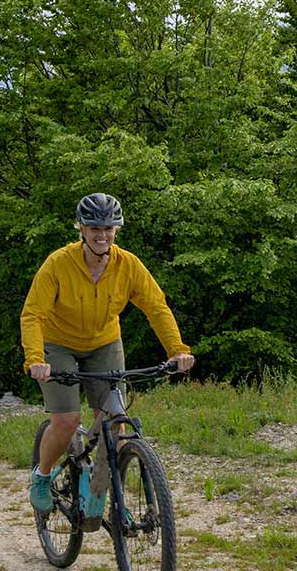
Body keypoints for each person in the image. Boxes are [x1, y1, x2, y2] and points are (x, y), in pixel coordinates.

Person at [20, 192, 194, 518]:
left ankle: (108, 501)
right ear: (81, 229)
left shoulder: (127, 265)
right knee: (68, 420)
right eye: (94, 228)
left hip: (104, 343)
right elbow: (33, 315)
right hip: (58, 344)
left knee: (116, 424)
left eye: (108, 228)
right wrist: (35, 359)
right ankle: (42, 477)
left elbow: (156, 307)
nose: (102, 235)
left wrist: (178, 351)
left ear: (116, 230)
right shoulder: (58, 264)